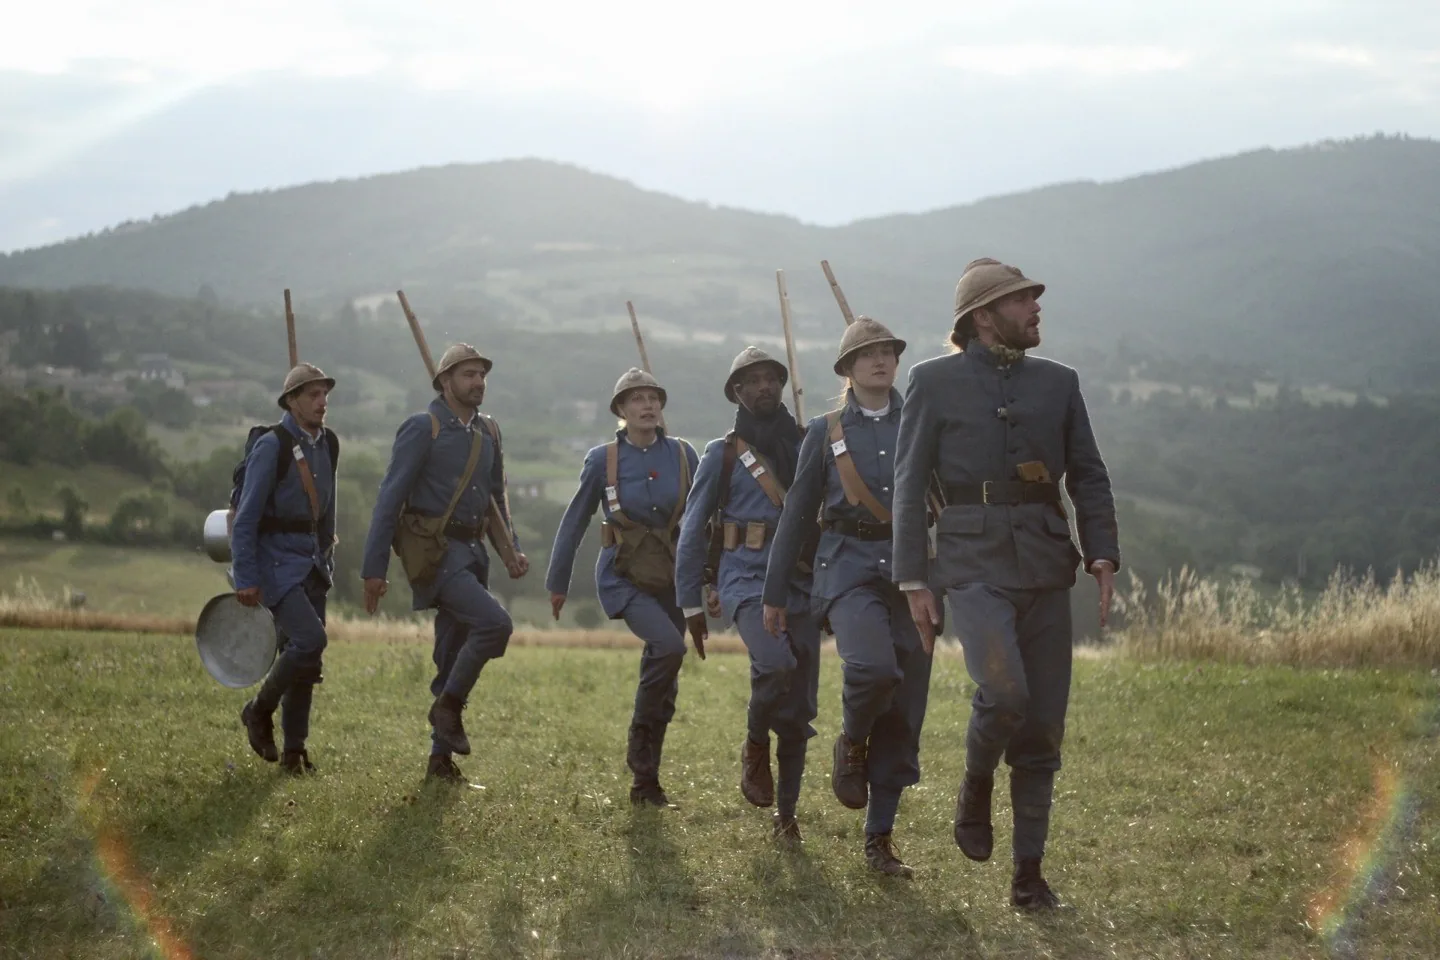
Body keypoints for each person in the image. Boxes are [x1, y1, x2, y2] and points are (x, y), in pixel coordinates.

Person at [892, 258, 1120, 909]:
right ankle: (974, 781)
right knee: (1004, 689)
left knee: (1043, 724)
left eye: (1034, 300)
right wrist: (913, 578)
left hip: (1048, 565)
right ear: (983, 317)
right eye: (1023, 301)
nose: (1037, 309)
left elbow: (1089, 474)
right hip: (969, 562)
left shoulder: (1060, 383)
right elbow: (909, 487)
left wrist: (1102, 552)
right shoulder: (932, 383)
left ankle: (1029, 873)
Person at [763, 318, 931, 877]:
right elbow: (796, 512)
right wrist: (774, 591)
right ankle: (851, 742)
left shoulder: (920, 423)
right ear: (847, 370)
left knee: (906, 713)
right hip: (848, 569)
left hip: (911, 573)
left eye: (888, 352)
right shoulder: (825, 430)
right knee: (873, 669)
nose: (881, 361)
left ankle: (879, 840)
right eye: (868, 355)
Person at [360, 343, 529, 784]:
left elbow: (495, 499)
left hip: (473, 554)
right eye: (468, 374)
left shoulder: (488, 432)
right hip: (436, 555)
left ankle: (439, 761)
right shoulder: (423, 427)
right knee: (496, 624)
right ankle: (448, 706)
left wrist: (509, 549)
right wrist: (373, 570)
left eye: (482, 375)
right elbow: (389, 499)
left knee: (451, 653)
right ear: (445, 382)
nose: (478, 382)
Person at [674, 346, 820, 848]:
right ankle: (756, 742)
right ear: (736, 392)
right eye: (751, 381)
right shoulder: (724, 453)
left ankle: (787, 816)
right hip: (745, 581)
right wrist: (692, 601)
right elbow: (693, 529)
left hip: (800, 583)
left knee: (799, 710)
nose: (763, 388)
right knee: (776, 663)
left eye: (771, 379)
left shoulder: (806, 443)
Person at [545, 368, 701, 807]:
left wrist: (710, 578)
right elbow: (574, 520)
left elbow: (704, 517)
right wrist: (558, 581)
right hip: (624, 577)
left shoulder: (685, 455)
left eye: (653, 398)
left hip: (672, 579)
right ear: (620, 410)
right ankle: (639, 741)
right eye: (636, 399)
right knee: (669, 648)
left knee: (666, 682)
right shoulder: (603, 460)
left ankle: (646, 783)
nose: (647, 405)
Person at [234, 363, 339, 776]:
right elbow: (245, 519)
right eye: (312, 395)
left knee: (305, 665)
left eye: (324, 394)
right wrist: (246, 577)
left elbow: (327, 510)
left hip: (312, 562)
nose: (321, 402)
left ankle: (295, 752)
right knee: (311, 640)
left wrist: (327, 559)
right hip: (276, 563)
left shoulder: (327, 444)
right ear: (291, 402)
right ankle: (258, 711)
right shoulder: (272, 446)